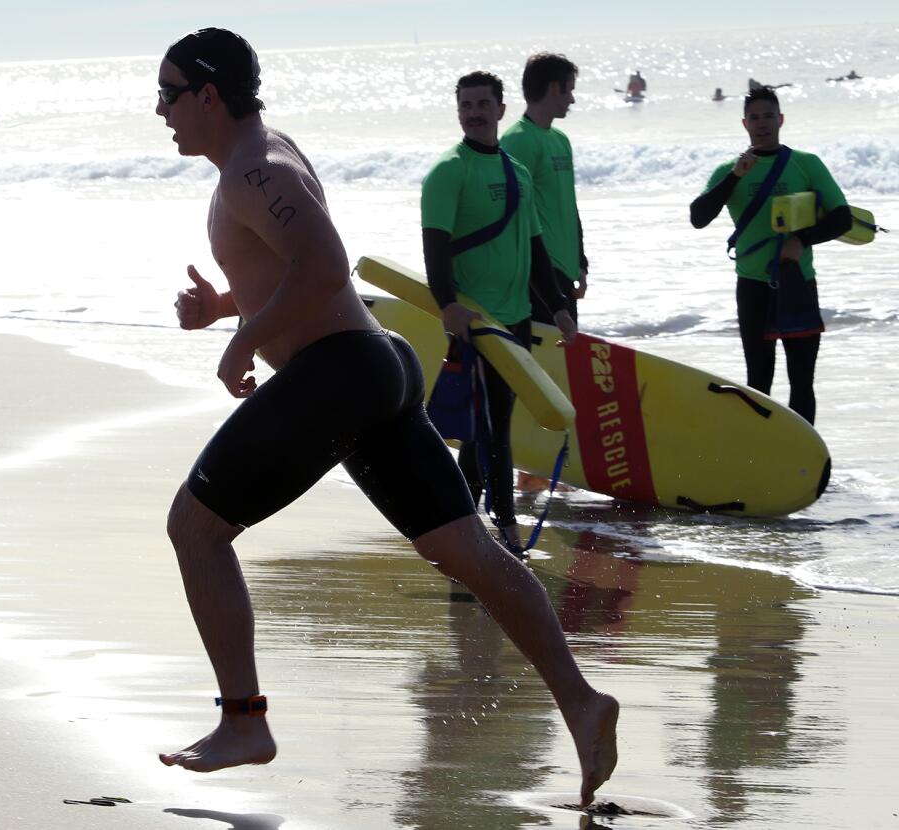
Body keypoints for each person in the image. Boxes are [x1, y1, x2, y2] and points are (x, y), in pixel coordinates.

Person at [154, 28, 618, 807]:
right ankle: (581, 700)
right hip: (376, 366)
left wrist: (245, 339)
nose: (160, 112)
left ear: (208, 95)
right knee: (467, 549)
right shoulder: (268, 154)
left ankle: (243, 721)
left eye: (168, 95)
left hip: (339, 372)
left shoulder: (253, 169)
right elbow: (290, 265)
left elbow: (327, 265)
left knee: (195, 530)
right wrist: (227, 305)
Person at [421, 70, 578, 551]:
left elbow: (534, 252)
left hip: (513, 321)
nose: (473, 113)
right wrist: (448, 304)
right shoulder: (449, 171)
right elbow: (435, 248)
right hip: (475, 323)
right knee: (491, 429)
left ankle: (461, 526)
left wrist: (559, 307)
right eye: (466, 105)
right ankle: (505, 532)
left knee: (482, 429)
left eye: (482, 104)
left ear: (500, 110)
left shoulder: (518, 173)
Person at [689, 87, 851, 424]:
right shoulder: (729, 171)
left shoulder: (805, 164)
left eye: (768, 116)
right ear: (744, 124)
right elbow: (698, 218)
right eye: (754, 118)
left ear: (781, 119)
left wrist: (802, 240)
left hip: (797, 283)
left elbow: (841, 218)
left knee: (802, 381)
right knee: (758, 381)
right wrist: (735, 176)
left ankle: (801, 465)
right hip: (753, 287)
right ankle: (757, 460)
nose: (762, 124)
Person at [500, 53, 588, 492]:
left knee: (558, 369)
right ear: (552, 88)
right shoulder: (517, 141)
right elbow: (514, 217)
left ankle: (548, 465)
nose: (572, 98)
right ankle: (531, 469)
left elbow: (567, 205)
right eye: (568, 88)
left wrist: (582, 260)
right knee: (538, 372)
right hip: (536, 277)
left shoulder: (561, 142)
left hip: (562, 273)